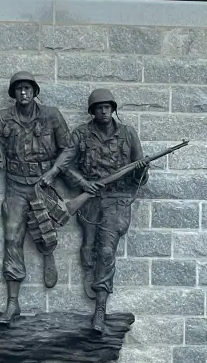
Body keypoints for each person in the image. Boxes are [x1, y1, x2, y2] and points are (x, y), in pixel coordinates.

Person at [39, 88, 148, 333]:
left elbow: (141, 178)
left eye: (108, 107)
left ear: (113, 109)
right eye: (99, 107)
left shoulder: (129, 134)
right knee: (88, 248)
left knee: (107, 251)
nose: (104, 111)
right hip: (90, 198)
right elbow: (66, 163)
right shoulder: (81, 134)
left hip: (116, 199)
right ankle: (91, 271)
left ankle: (100, 307)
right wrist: (83, 184)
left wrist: (141, 168)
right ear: (92, 111)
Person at [0, 71, 70, 324]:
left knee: (46, 227)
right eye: (19, 89)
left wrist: (54, 172)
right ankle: (13, 303)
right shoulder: (3, 118)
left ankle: (47, 252)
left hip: (42, 183)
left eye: (27, 88)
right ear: (13, 94)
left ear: (34, 91)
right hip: (15, 184)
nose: (23, 93)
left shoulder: (51, 115)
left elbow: (68, 148)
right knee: (11, 237)